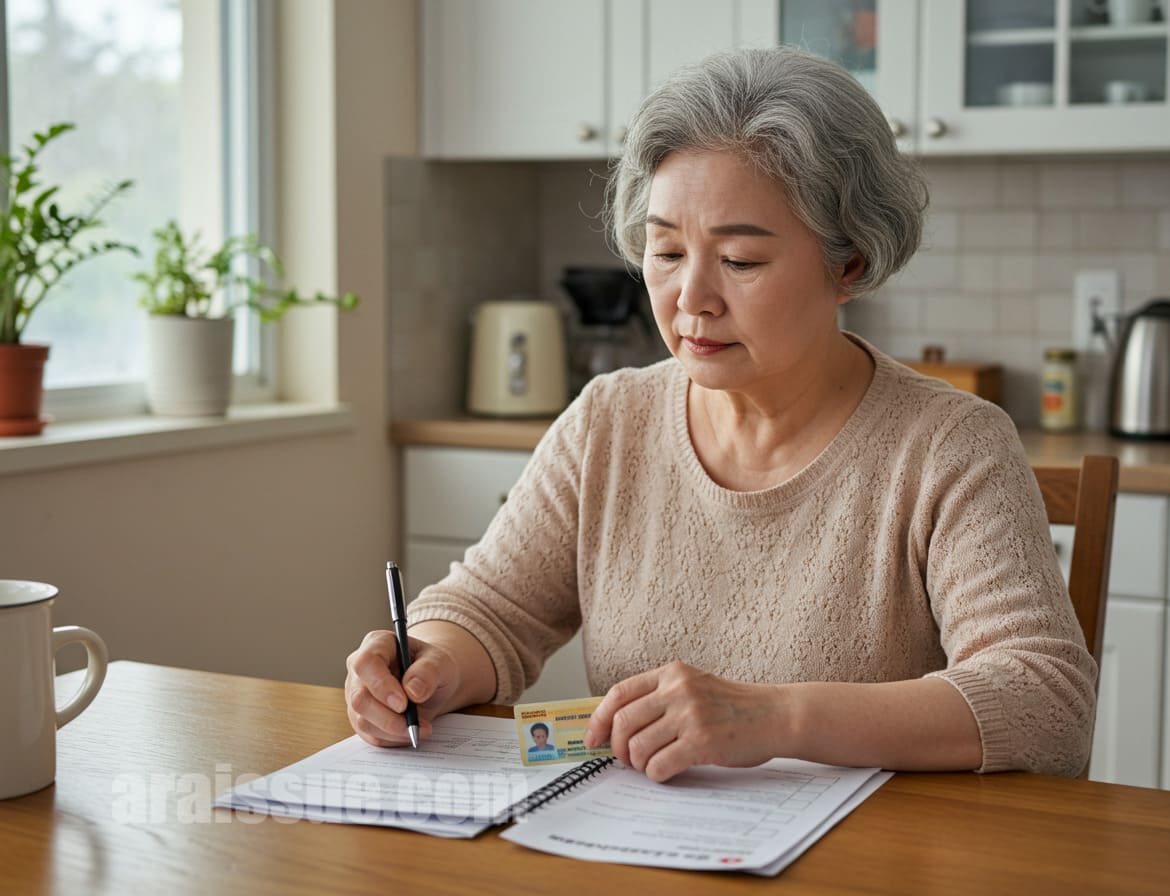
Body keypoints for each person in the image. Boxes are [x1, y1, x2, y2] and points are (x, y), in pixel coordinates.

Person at [346, 46, 1096, 782]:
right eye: (666, 251)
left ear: (851, 264)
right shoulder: (610, 420)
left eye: (739, 260)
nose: (691, 298)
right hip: (645, 844)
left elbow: (1045, 699)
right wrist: (431, 662)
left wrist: (774, 719)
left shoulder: (949, 445)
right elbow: (492, 609)